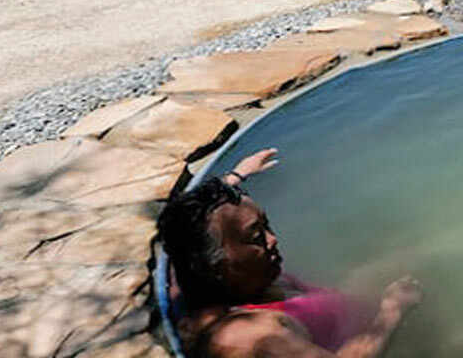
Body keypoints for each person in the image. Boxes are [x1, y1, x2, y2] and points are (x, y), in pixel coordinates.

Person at [157, 148, 422, 358]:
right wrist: (392, 312)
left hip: (341, 307)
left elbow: (189, 224)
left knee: (414, 252)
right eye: (256, 237)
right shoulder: (249, 337)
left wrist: (235, 178)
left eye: (267, 226)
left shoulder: (200, 263)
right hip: (373, 332)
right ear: (216, 264)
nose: (273, 239)